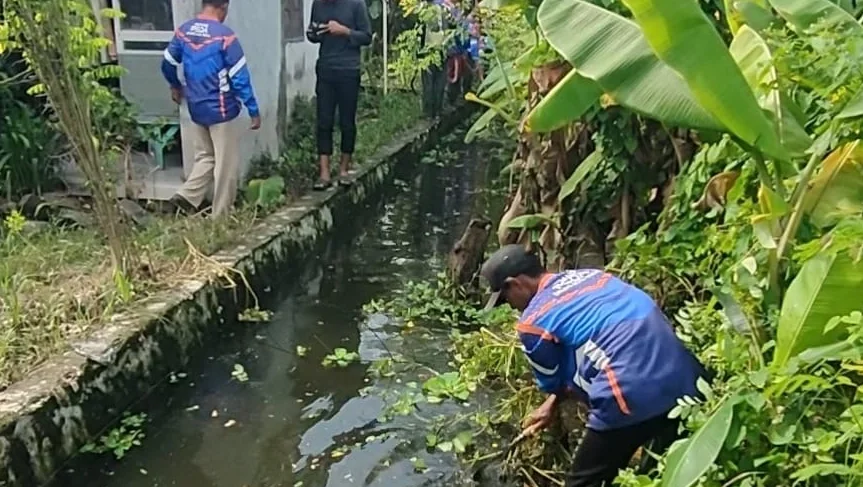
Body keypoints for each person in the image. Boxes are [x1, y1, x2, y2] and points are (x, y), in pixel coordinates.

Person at [480, 244, 708, 487]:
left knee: (583, 482)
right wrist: (552, 405)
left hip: (629, 392)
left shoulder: (532, 323)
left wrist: (553, 400)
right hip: (689, 380)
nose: (512, 307)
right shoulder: (593, 276)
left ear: (516, 284)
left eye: (506, 300)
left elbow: (556, 384)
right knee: (658, 473)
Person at [161, 0, 261, 218]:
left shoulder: (184, 32)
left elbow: (167, 63)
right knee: (226, 167)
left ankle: (184, 197)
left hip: (196, 107)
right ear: (223, 7)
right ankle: (220, 219)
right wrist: (253, 110)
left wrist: (175, 85)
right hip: (221, 110)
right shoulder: (225, 37)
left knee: (206, 157)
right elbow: (240, 78)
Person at [306, 0, 373, 190]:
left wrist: (345, 31)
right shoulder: (318, 4)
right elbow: (313, 35)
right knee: (323, 121)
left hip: (348, 70)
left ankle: (344, 170)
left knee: (347, 122)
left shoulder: (356, 4)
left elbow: (367, 36)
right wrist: (314, 32)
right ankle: (324, 174)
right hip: (326, 68)